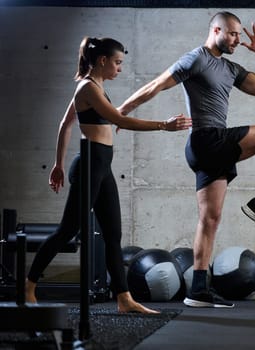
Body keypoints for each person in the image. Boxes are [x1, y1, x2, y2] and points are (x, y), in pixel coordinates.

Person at [118, 11, 255, 308]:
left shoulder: (230, 68)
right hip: (207, 140)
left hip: (212, 146)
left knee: (210, 220)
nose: (238, 40)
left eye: (239, 35)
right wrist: (120, 112)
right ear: (217, 30)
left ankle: (197, 290)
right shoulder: (195, 59)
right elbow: (155, 85)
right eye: (233, 34)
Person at [25, 36, 192, 313]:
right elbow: (119, 120)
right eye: (117, 62)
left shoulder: (95, 87)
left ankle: (124, 298)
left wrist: (58, 164)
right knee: (68, 230)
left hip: (101, 166)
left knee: (113, 234)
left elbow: (66, 123)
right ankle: (28, 285)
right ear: (102, 61)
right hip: (90, 163)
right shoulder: (87, 88)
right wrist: (164, 125)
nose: (120, 68)